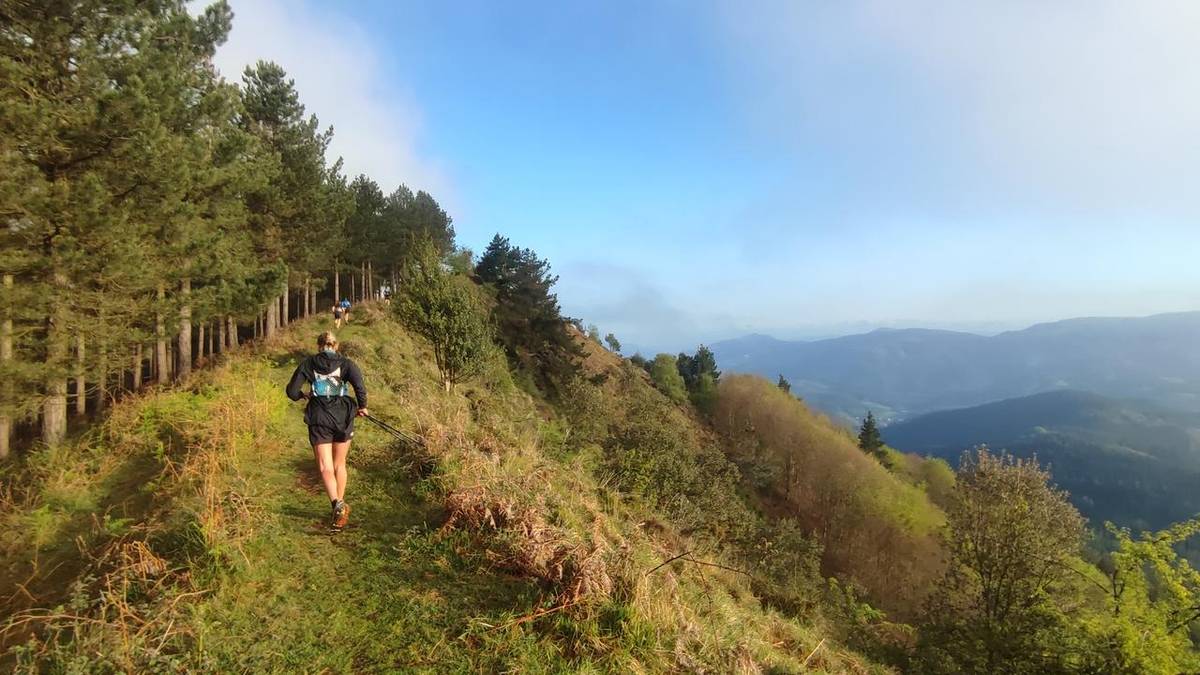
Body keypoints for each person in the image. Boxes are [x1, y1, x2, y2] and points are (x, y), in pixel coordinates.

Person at [285, 331, 368, 530]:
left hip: (319, 416)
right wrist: (362, 407)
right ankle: (339, 508)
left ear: (319, 346)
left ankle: (337, 505)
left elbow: (291, 391)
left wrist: (302, 396)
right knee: (340, 464)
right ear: (335, 345)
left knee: (325, 467)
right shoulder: (347, 363)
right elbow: (359, 386)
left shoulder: (308, 363)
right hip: (343, 416)